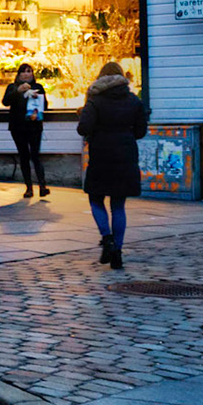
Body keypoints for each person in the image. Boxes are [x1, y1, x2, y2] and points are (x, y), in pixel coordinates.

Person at [77, 61, 148, 270]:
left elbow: (83, 128)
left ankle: (106, 238)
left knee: (96, 198)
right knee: (118, 204)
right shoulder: (133, 101)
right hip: (125, 153)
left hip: (101, 153)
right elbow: (141, 131)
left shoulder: (95, 100)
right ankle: (117, 249)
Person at [3, 63, 50, 199]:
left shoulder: (38, 87)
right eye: (23, 72)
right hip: (18, 127)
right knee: (24, 156)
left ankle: (42, 185)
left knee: (35, 155)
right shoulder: (12, 87)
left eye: (29, 71)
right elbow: (6, 102)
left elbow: (45, 106)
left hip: (34, 126)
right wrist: (18, 91)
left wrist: (37, 98)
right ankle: (28, 187)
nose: (26, 74)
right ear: (18, 75)